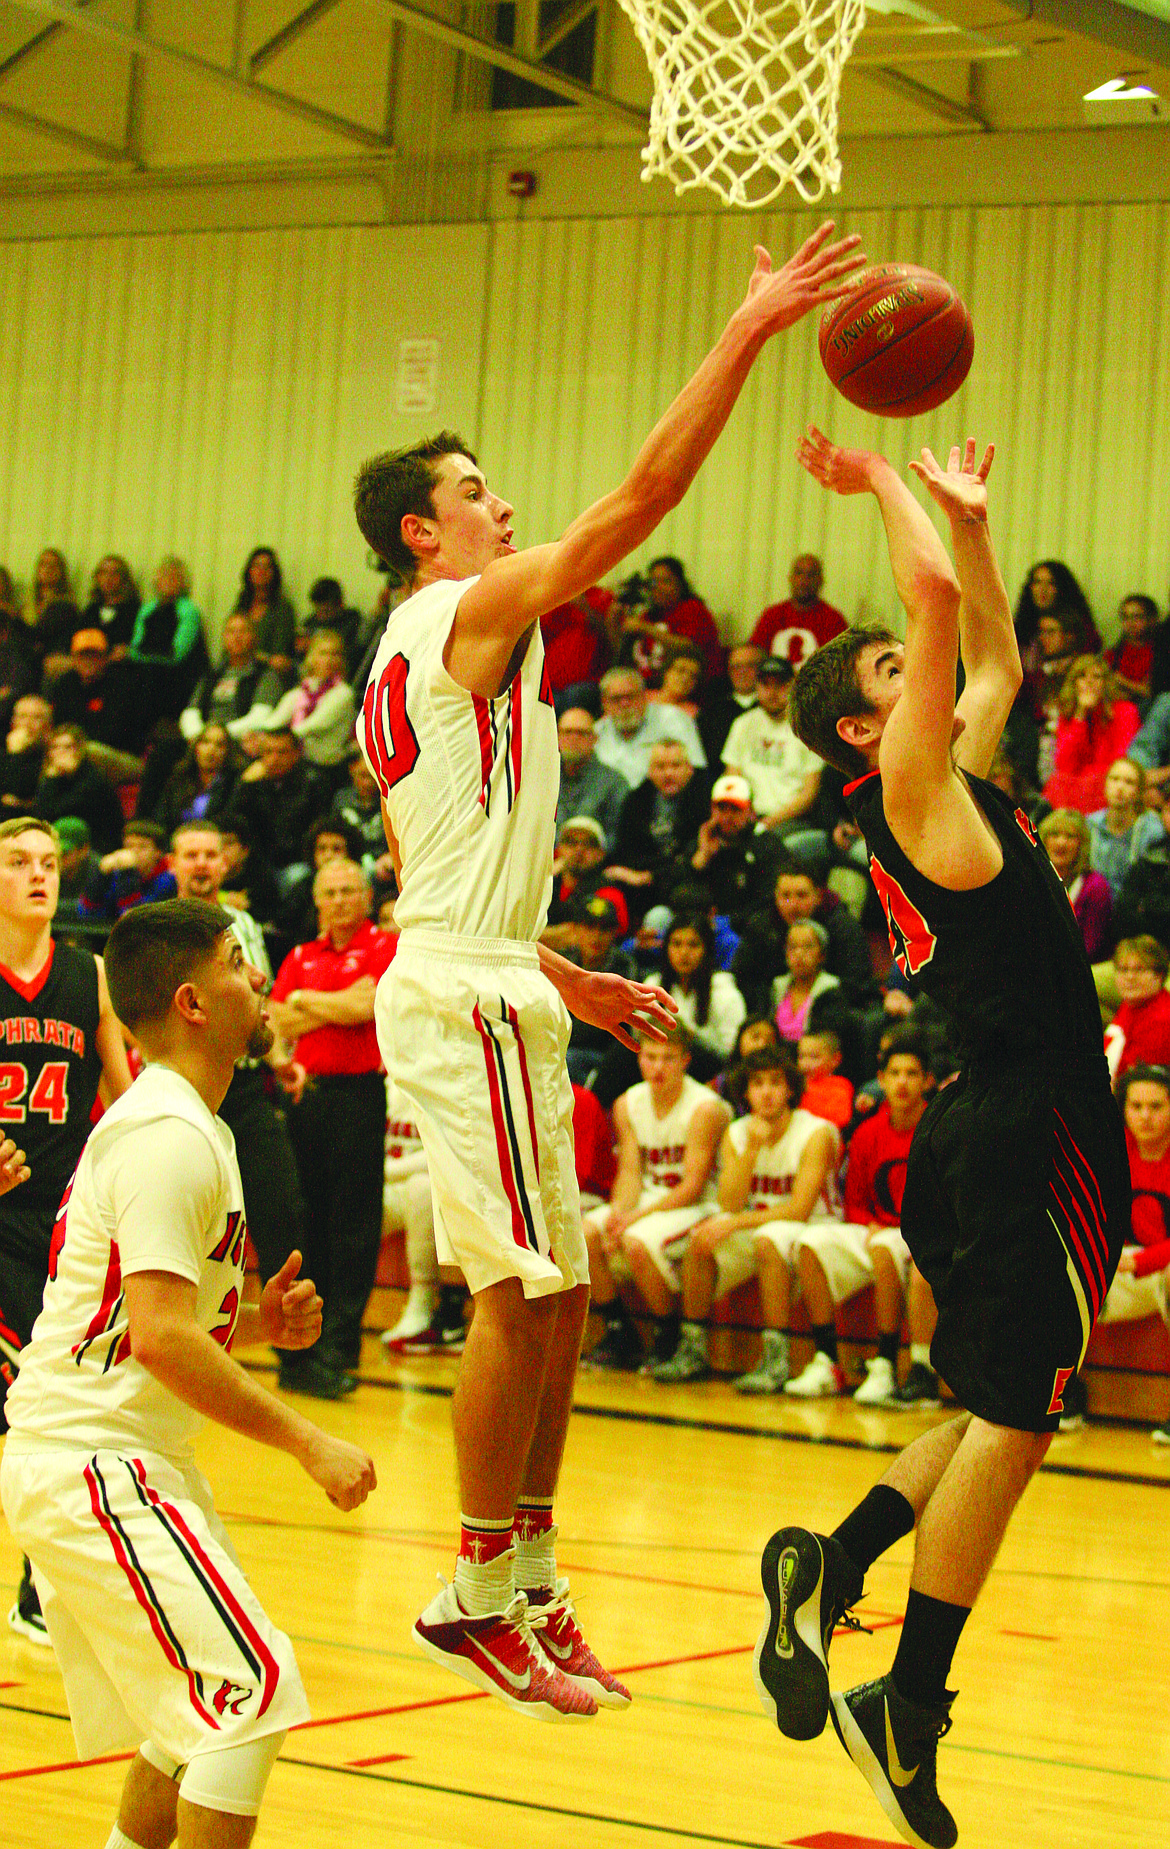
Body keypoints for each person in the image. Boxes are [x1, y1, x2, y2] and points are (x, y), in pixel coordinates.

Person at [351, 221, 864, 1720]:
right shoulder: (456, 612)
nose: (499, 504)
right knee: (520, 1299)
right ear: (421, 539)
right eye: (470, 493)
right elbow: (640, 499)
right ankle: (476, 1586)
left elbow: (449, 875)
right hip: (458, 989)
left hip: (486, 972)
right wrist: (752, 325)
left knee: (557, 1296)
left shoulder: (448, 642)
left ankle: (524, 1574)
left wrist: (561, 975)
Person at [774, 430, 1128, 1848]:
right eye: (880, 679)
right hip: (1017, 1130)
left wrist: (970, 525)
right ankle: (903, 1701)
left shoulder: (945, 777)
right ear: (865, 729)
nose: (909, 679)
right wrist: (876, 481)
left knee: (995, 1405)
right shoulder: (909, 790)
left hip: (1010, 1127)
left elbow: (988, 660)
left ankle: (829, 1564)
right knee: (1026, 1415)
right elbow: (934, 624)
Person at [0, 897, 375, 1845]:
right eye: (239, 963)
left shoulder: (188, 1124)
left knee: (185, 1727)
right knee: (251, 1695)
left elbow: (147, 1321)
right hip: (93, 1460)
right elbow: (162, 1339)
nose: (259, 978)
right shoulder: (168, 1135)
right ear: (192, 1001)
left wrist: (256, 1320)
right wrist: (309, 1440)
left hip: (117, 1455)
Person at [0, 816, 133, 1644]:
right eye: (18, 862)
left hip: (59, 1228)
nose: (38, 875)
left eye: (49, 862)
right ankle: (44, 1583)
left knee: (60, 1411)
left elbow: (123, 1099)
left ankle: (39, 1583)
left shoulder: (90, 976)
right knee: (34, 1412)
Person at [169, 819, 309, 1363]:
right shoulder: (150, 929)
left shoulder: (246, 924)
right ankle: (174, 1339)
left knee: (281, 1208)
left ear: (224, 862)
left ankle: (295, 1349)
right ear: (173, 863)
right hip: (179, 1088)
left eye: (210, 853)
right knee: (180, 1218)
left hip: (243, 1086)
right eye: (191, 854)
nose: (202, 863)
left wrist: (279, 1059)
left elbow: (259, 1010)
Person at [268, 858, 396, 1394]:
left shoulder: (385, 947)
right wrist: (330, 1006)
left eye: (350, 891)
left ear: (366, 898)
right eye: (331, 892)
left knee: (354, 1223)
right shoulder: (300, 955)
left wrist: (303, 1000)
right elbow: (276, 1023)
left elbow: (369, 1004)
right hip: (305, 1097)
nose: (341, 900)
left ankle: (343, 1343)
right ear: (317, 900)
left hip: (359, 1096)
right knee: (307, 1219)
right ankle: (308, 1345)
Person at [651, 1043, 838, 1388]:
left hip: (816, 1227)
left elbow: (799, 1210)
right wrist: (751, 1150)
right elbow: (730, 1203)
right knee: (701, 1239)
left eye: (775, 1083)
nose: (766, 1093)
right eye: (757, 1084)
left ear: (790, 1088)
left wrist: (734, 1223)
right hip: (759, 1224)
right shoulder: (738, 1132)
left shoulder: (815, 1132)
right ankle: (692, 1348)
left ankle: (776, 1357)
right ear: (745, 1091)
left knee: (767, 1240)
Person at [797, 1028, 937, 1407]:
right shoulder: (867, 1133)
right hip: (877, 1231)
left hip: (924, 1237)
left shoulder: (940, 1129)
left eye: (911, 1074)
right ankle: (828, 1359)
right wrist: (868, 1223)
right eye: (894, 1074)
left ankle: (886, 1363)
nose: (902, 1082)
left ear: (928, 1081)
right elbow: (855, 1200)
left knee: (884, 1247)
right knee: (810, 1243)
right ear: (880, 1080)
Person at [583, 1025, 730, 1372]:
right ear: (639, 1058)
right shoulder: (627, 1103)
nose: (658, 1067)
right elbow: (632, 1172)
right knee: (585, 1233)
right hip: (651, 1200)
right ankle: (620, 1331)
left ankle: (669, 1335)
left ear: (685, 1061)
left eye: (668, 1058)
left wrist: (633, 1220)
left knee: (636, 1241)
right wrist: (620, 1212)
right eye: (650, 1057)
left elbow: (693, 1185)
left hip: (696, 1204)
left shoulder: (705, 1108)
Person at [1091, 1063, 1170, 1442]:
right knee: (1053, 1269)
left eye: (1156, 1106)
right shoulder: (1110, 1152)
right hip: (1123, 1268)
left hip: (1156, 1267)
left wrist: (1139, 1261)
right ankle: (1061, 1395)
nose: (1146, 1117)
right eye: (1136, 1106)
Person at [721, 655, 825, 845]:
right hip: (746, 817)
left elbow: (809, 794)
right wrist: (744, 814)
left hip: (792, 820)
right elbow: (732, 778)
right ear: (757, 686)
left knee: (767, 847)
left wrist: (769, 822)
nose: (772, 692)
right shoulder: (743, 724)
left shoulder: (808, 727)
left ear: (793, 685)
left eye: (780, 684)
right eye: (765, 684)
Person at [606, 739, 711, 916]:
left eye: (675, 766)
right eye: (660, 767)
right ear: (649, 772)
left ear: (689, 769)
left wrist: (648, 876)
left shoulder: (705, 801)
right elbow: (626, 853)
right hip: (645, 887)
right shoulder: (636, 801)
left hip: (688, 883)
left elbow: (695, 860)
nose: (668, 774)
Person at [1043, 654, 1139, 813]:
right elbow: (1064, 764)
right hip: (1075, 786)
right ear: (1074, 683)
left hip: (1107, 784)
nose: (1089, 681)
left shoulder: (1125, 711)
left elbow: (1120, 761)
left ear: (1106, 683)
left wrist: (1086, 778)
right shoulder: (1069, 715)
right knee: (1057, 781)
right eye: (1082, 676)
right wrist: (1080, 714)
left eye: (1096, 676)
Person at [687, 772, 781, 930]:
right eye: (722, 809)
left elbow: (769, 898)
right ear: (712, 809)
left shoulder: (766, 844)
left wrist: (731, 921)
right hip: (700, 926)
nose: (728, 816)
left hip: (745, 926)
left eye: (736, 809)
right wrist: (703, 856)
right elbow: (678, 890)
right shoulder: (702, 840)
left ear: (750, 811)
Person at [180, 610, 286, 743]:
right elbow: (191, 711)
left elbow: (260, 716)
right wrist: (199, 736)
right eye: (231, 631)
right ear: (224, 637)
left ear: (254, 637)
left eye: (243, 631)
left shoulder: (266, 674)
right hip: (204, 740)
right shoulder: (213, 673)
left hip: (240, 741)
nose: (237, 637)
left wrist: (217, 737)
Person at [262, 629, 356, 772]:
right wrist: (258, 736)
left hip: (326, 768)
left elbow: (310, 726)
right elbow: (273, 723)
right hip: (299, 763)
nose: (329, 659)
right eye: (323, 653)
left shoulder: (344, 693)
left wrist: (273, 741)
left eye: (335, 654)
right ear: (312, 657)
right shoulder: (301, 691)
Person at [594, 664, 706, 783]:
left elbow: (696, 770)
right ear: (604, 703)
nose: (624, 704)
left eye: (631, 697)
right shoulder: (596, 732)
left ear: (644, 696)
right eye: (616, 699)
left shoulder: (674, 719)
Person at [35, 723, 126, 853]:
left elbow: (62, 811)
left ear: (80, 749)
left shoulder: (93, 778)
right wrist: (51, 781)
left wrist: (52, 780)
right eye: (55, 747)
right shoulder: (52, 778)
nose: (60, 752)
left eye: (68, 747)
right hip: (61, 845)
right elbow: (41, 818)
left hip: (96, 848)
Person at [1037, 808, 1114, 961]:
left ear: (1082, 844)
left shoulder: (1095, 886)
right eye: (1055, 835)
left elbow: (1090, 947)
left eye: (1070, 836)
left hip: (1080, 967)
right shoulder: (1033, 877)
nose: (1061, 843)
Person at [752, 553, 847, 666]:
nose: (804, 580)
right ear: (790, 578)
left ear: (821, 580)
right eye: (799, 573)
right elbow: (754, 655)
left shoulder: (834, 621)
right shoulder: (772, 615)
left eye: (811, 575)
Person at [554, 705, 629, 843]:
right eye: (567, 732)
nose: (573, 739)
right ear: (557, 736)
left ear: (594, 738)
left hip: (599, 862)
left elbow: (619, 837)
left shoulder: (614, 783)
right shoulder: (542, 780)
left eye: (581, 733)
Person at [1086, 757, 1160, 898]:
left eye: (1129, 782)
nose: (1120, 787)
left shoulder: (1153, 830)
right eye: (1114, 779)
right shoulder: (1090, 824)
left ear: (1139, 791)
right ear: (1105, 784)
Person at [79, 817, 178, 921]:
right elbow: (87, 913)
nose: (134, 852)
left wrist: (129, 873)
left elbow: (135, 918)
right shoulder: (118, 874)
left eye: (142, 847)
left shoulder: (168, 879)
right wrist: (101, 875)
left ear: (158, 852)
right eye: (129, 846)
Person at [1104, 935, 1170, 1080]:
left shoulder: (1163, 1020)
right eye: (1123, 969)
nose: (1130, 977)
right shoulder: (1129, 1007)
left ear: (1159, 975)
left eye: (1139, 970)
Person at [235, 546, 297, 681]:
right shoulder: (241, 604)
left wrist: (248, 654)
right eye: (256, 566)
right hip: (236, 669)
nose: (261, 571)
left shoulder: (283, 608)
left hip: (266, 673)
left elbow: (279, 655)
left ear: (274, 573)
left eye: (267, 567)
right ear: (249, 571)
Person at [699, 642, 763, 765]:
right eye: (736, 667)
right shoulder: (712, 711)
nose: (742, 672)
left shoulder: (773, 709)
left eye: (750, 665)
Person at [1, 692, 54, 812]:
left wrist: (16, 756)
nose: (28, 723)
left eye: (36, 717)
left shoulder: (52, 756)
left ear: (48, 725)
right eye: (22, 716)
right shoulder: (5, 754)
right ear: (13, 723)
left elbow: (19, 791)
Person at [1105, 593, 1159, 709]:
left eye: (1137, 617)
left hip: (1146, 708)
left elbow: (1150, 691)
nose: (1130, 623)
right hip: (1116, 707)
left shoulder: (1159, 652)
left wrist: (1122, 681)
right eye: (1126, 617)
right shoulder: (1114, 653)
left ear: (1151, 619)